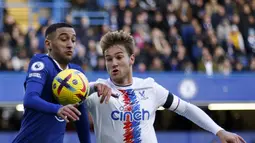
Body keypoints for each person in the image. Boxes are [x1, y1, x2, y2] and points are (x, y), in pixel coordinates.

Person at [86, 31, 247, 143]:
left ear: (132, 59)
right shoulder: (97, 90)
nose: (113, 63)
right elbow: (67, 98)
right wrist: (93, 87)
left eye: (119, 57)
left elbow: (186, 108)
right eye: (108, 59)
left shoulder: (150, 88)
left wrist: (219, 131)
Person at [12, 23, 112, 143]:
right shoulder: (42, 63)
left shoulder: (77, 72)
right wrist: (57, 109)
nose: (70, 44)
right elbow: (30, 99)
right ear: (48, 44)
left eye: (73, 40)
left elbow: (80, 116)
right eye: (64, 39)